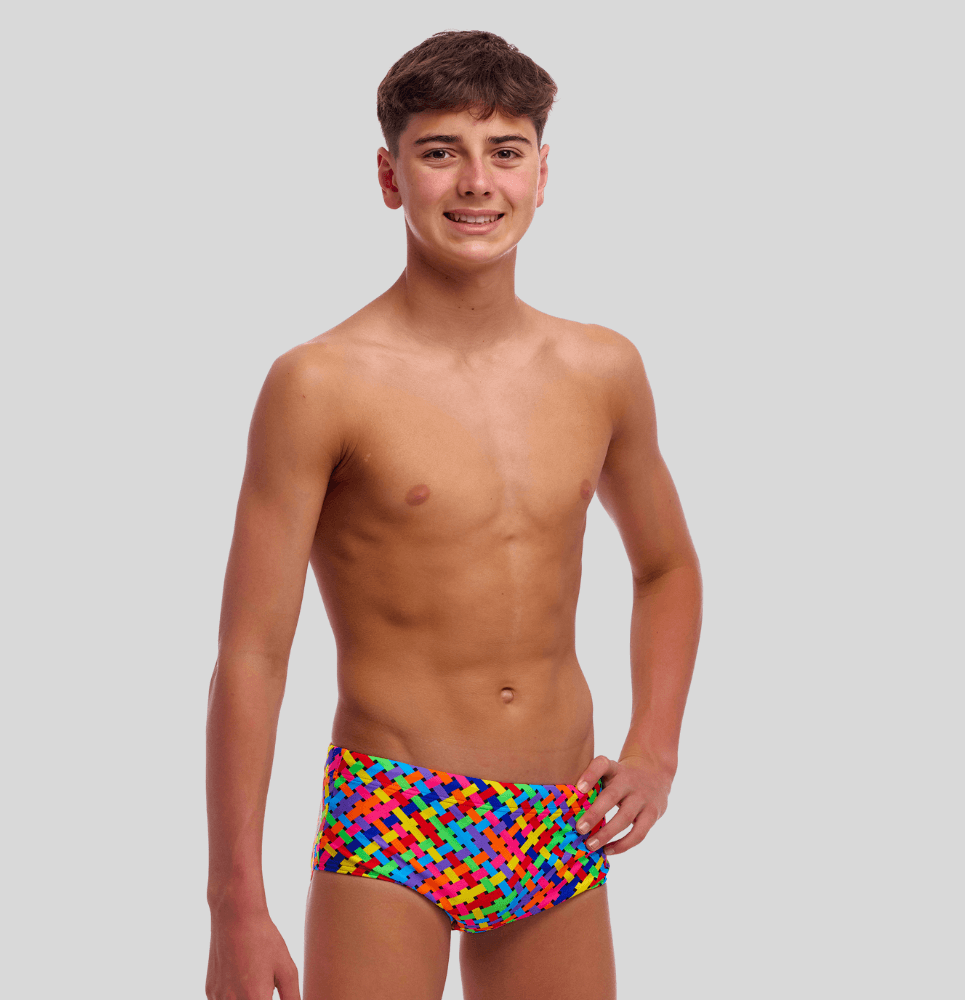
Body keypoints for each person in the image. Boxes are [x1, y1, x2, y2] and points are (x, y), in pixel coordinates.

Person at [205, 29, 702, 1000]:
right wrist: (235, 902)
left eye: (505, 151)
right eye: (441, 152)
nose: (477, 182)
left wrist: (654, 748)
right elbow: (253, 652)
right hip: (396, 813)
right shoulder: (320, 383)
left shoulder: (602, 369)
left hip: (558, 810)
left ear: (542, 174)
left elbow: (666, 566)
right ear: (390, 177)